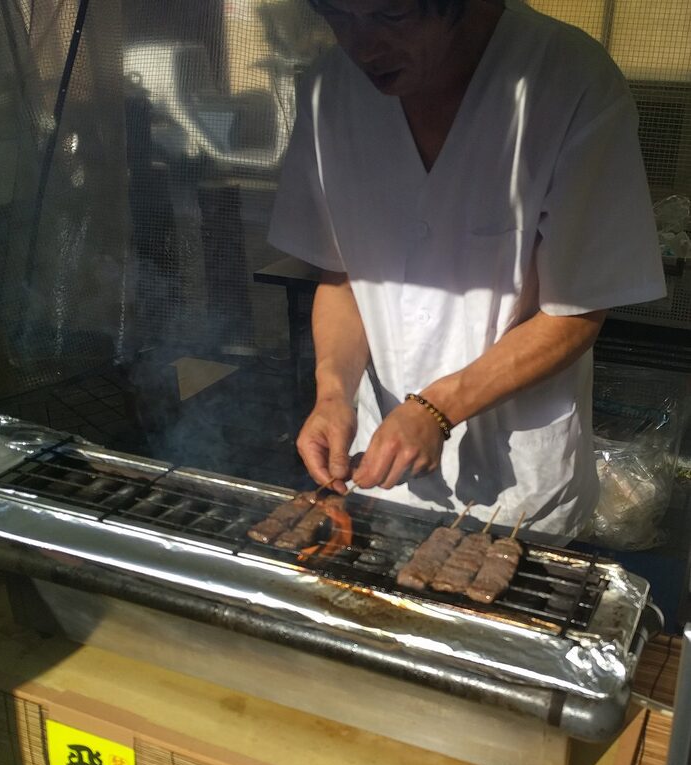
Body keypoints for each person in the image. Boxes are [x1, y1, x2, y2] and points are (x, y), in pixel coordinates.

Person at [267, 0, 665, 539]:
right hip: (380, 466)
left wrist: (437, 409)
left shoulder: (570, 81)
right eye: (338, 15)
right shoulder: (327, 91)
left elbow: (576, 313)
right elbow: (342, 277)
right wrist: (333, 393)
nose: (361, 46)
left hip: (519, 486)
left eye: (390, 16)